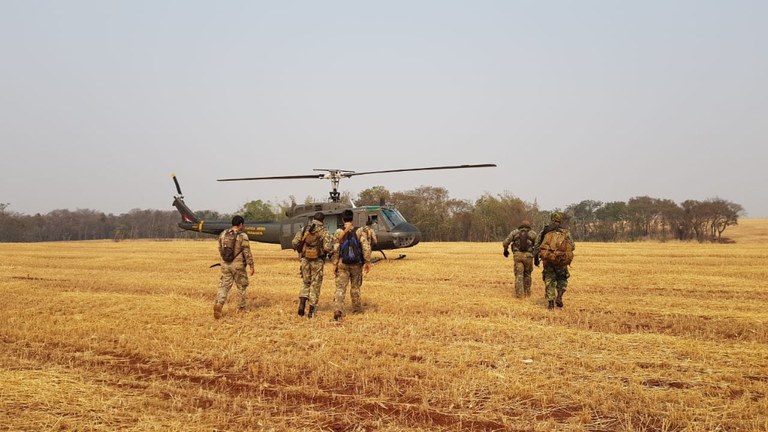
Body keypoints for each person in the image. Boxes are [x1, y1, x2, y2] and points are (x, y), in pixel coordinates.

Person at [332, 209, 372, 321]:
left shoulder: (339, 232)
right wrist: (367, 262)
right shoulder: (359, 231)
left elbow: (335, 249)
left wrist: (335, 263)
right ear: (352, 219)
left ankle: (338, 309)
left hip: (342, 264)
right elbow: (365, 247)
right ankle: (357, 309)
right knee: (355, 287)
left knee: (340, 288)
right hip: (356, 264)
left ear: (342, 219)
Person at [291, 212, 332, 318]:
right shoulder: (324, 231)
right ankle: (311, 311)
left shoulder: (304, 229)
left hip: (304, 260)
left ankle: (302, 304)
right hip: (317, 261)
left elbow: (294, 243)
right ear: (323, 221)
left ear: (313, 219)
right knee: (315, 284)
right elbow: (327, 247)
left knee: (306, 282)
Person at [214, 215, 254, 319]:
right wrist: (251, 265)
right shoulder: (242, 236)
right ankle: (241, 308)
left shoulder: (223, 234)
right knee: (242, 286)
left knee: (224, 286)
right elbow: (247, 252)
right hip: (238, 265)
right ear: (241, 224)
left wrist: (224, 259)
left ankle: (219, 303)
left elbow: (219, 248)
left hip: (225, 264)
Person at [533, 212, 575, 310]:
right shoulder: (565, 232)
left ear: (551, 219)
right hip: (561, 261)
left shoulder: (545, 231)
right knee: (562, 279)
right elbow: (572, 246)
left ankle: (551, 303)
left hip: (548, 261)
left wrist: (536, 258)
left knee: (549, 280)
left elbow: (537, 244)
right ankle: (559, 296)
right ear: (560, 220)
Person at [502, 220, 538, 298]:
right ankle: (527, 293)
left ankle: (519, 295)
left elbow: (505, 242)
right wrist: (536, 257)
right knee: (527, 274)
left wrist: (505, 250)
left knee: (519, 275)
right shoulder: (532, 233)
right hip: (528, 256)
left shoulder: (515, 232)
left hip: (517, 256)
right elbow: (538, 245)